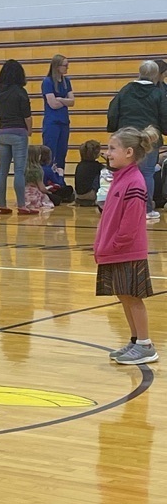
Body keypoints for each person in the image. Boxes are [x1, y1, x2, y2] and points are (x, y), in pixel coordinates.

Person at [94, 126, 159, 365]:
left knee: (133, 297)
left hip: (126, 251)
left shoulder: (134, 182)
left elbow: (130, 226)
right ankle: (135, 340)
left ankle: (145, 345)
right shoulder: (120, 179)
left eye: (112, 148)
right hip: (114, 251)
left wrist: (111, 245)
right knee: (123, 295)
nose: (107, 153)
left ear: (129, 152)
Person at [107, 60, 167, 219]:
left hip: (126, 138)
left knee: (123, 173)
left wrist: (114, 129)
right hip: (149, 138)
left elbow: (113, 111)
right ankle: (146, 210)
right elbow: (164, 116)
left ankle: (121, 209)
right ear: (155, 75)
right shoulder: (158, 93)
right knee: (147, 174)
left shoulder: (125, 90)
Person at [0, 59, 36, 215]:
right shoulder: (20, 92)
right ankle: (22, 205)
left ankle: (2, 205)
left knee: (2, 170)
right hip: (18, 132)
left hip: (2, 132)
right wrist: (29, 130)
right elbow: (27, 116)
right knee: (19, 170)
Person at [41, 55, 74, 171]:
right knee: (49, 152)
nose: (67, 68)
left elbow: (72, 101)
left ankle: (60, 179)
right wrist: (64, 101)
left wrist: (60, 99)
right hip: (52, 122)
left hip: (64, 122)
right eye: (65, 65)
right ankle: (47, 179)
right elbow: (52, 104)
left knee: (62, 153)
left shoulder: (67, 81)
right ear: (57, 66)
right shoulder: (47, 82)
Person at [24, 145, 55, 211]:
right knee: (55, 198)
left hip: (23, 196)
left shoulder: (22, 169)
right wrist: (48, 192)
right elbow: (42, 188)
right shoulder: (37, 170)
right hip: (35, 195)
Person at [74, 140, 103, 206]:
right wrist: (107, 159)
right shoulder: (97, 166)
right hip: (90, 194)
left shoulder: (79, 164)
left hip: (78, 195)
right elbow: (111, 170)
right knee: (105, 175)